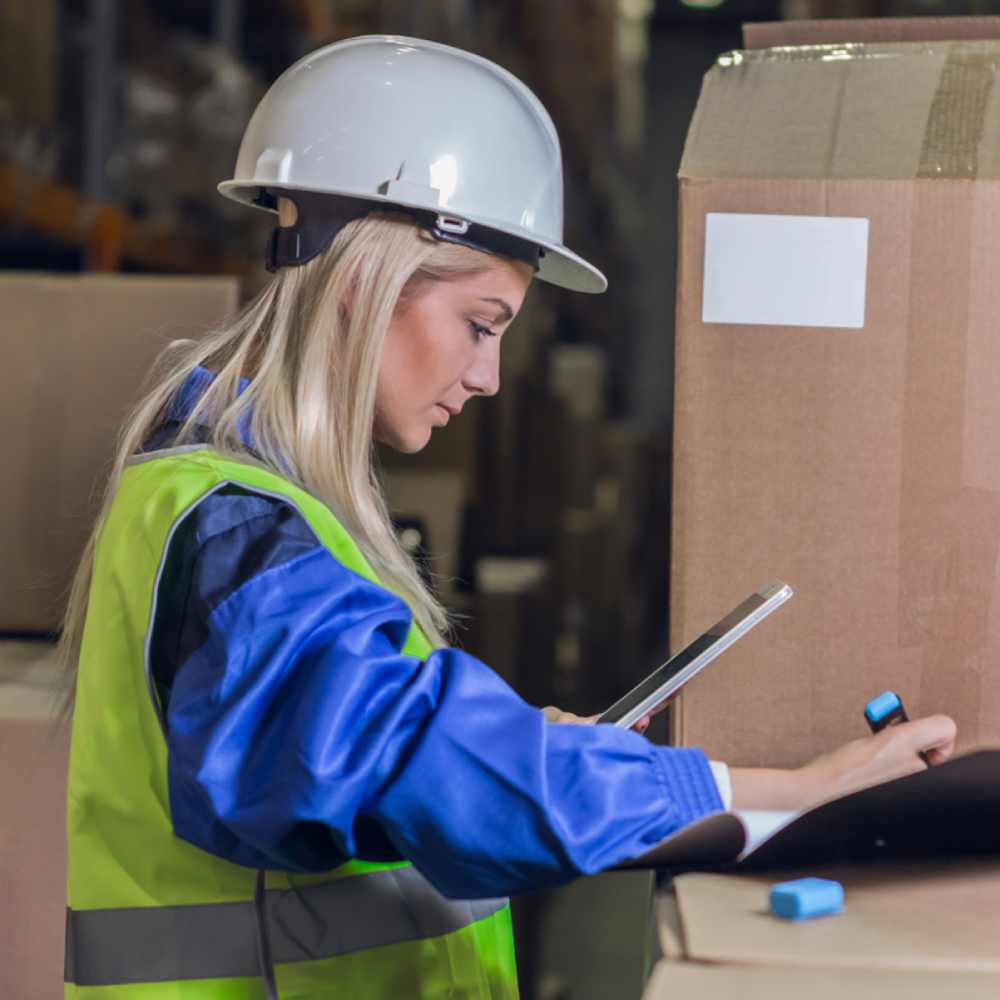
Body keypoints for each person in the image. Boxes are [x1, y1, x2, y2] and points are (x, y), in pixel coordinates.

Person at [60, 35, 957, 1000]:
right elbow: (399, 753)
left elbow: (361, 768)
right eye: (480, 325)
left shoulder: (253, 515)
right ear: (365, 279)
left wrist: (542, 750)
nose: (488, 377)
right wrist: (792, 793)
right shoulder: (230, 528)